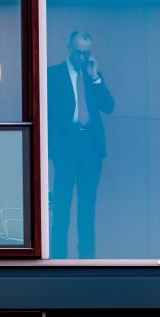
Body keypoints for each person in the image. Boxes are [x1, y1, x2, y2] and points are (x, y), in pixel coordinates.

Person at [48, 31, 114, 259]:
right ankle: (57, 257)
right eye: (78, 53)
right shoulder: (52, 75)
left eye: (86, 54)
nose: (81, 58)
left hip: (90, 147)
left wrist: (96, 78)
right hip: (66, 146)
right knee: (63, 203)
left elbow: (108, 106)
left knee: (88, 204)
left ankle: (87, 257)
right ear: (69, 47)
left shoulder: (92, 75)